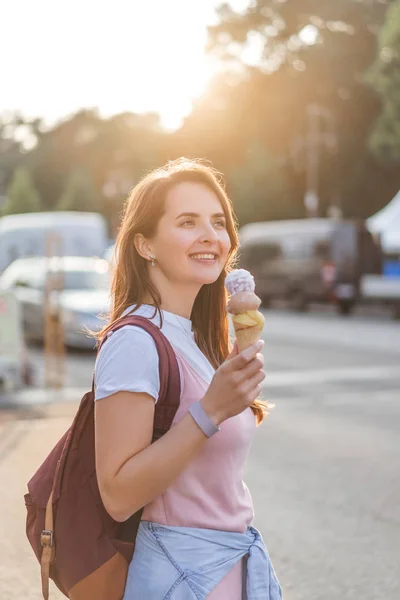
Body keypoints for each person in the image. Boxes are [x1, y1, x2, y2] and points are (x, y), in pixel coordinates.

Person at [94, 158, 282, 599]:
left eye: (218, 222)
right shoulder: (135, 341)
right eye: (187, 222)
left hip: (226, 568)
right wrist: (211, 411)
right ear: (145, 245)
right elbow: (117, 494)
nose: (210, 236)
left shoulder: (195, 339)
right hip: (180, 578)